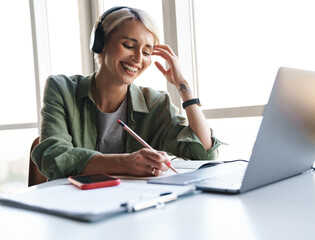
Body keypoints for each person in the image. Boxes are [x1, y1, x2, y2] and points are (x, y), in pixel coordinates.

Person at [31, 6, 222, 180]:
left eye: (147, 52)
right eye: (129, 46)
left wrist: (184, 87)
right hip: (74, 204)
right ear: (101, 43)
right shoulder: (61, 89)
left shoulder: (155, 103)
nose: (138, 58)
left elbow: (204, 153)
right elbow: (52, 155)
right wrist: (125, 163)